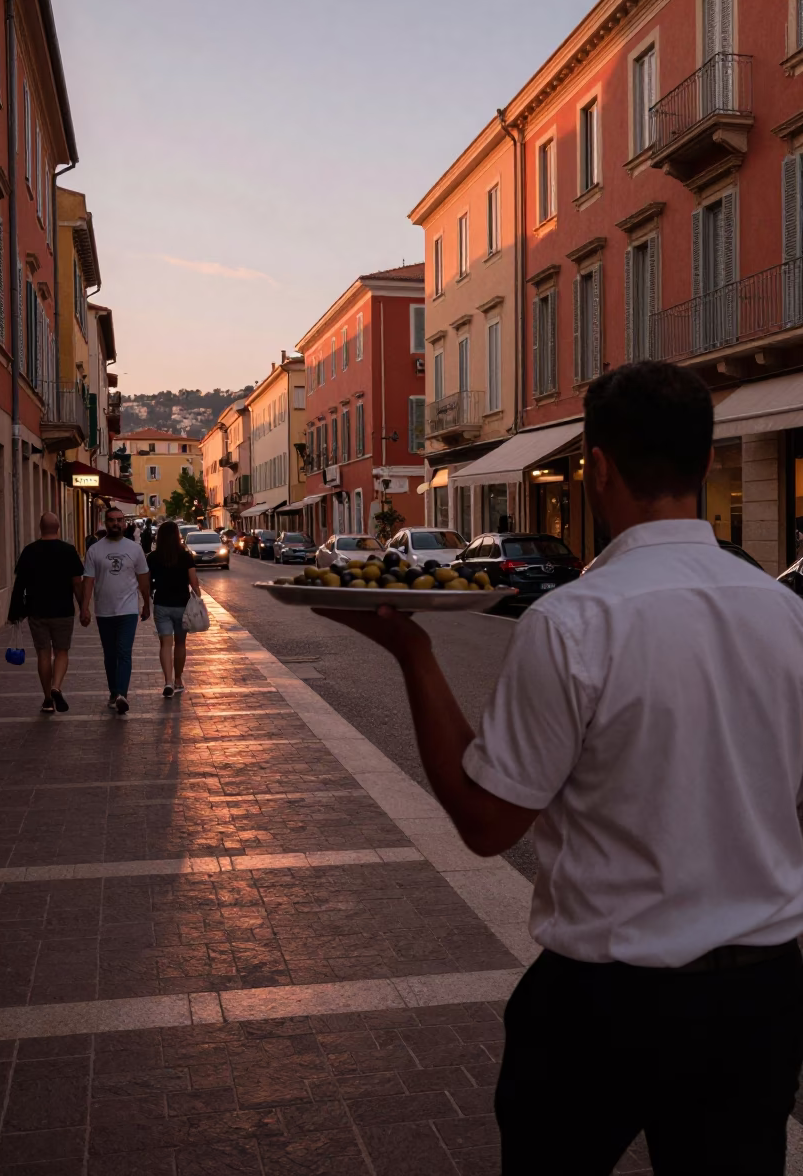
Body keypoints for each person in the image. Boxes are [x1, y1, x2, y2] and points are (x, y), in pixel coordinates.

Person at [321, 361, 803, 1175]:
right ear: (704, 462)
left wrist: (414, 653)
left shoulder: (574, 620)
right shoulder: (785, 612)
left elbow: (486, 823)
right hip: (758, 997)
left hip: (607, 999)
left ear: (601, 466)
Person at [8, 512, 84, 713]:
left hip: (37, 611)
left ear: (40, 528)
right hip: (63, 611)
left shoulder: (29, 551)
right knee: (61, 651)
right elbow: (77, 582)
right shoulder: (68, 551)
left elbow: (19, 584)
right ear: (58, 528)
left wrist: (15, 612)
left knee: (43, 653)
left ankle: (48, 699)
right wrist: (84, 607)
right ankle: (56, 686)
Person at [80, 505, 150, 714]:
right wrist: (84, 608)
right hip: (104, 610)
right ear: (105, 522)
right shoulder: (95, 550)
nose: (116, 524)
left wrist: (147, 603)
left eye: (120, 520)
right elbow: (88, 580)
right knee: (110, 654)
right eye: (112, 520)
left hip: (128, 610)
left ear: (125, 523)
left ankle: (122, 694)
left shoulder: (134, 549)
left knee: (124, 651)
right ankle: (113, 691)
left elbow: (143, 578)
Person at [147, 520, 201, 697]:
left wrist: (147, 597)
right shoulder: (185, 555)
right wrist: (198, 597)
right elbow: (193, 582)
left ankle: (167, 681)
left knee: (165, 643)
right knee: (180, 643)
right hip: (182, 605)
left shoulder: (153, 557)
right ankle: (178, 680)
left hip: (161, 604)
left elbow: (147, 582)